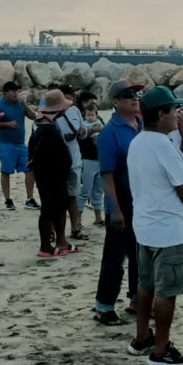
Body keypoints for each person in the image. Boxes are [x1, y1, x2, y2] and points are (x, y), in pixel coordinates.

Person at [127, 86, 183, 365]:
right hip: (167, 230)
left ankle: (142, 337)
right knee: (167, 291)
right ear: (161, 114)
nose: (177, 114)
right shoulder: (163, 146)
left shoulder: (138, 142)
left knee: (145, 285)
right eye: (173, 109)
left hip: (144, 225)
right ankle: (161, 351)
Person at [92, 80, 144, 326]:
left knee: (139, 255)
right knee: (114, 258)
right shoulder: (110, 132)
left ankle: (136, 300)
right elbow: (107, 174)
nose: (134, 98)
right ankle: (104, 307)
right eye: (127, 95)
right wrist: (115, 210)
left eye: (136, 94)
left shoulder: (141, 125)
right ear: (115, 101)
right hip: (120, 200)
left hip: (140, 201)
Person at [29, 89, 79, 258]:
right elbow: (49, 155)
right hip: (51, 176)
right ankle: (45, 246)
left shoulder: (45, 125)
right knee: (49, 209)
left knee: (58, 207)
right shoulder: (47, 129)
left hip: (51, 175)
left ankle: (60, 241)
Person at [0, 81, 39, 210]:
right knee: (6, 171)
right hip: (5, 144)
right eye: (13, 91)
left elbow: (34, 117)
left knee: (30, 169)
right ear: (6, 92)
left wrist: (25, 105)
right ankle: (8, 200)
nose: (16, 93)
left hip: (21, 144)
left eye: (17, 91)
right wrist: (7, 124)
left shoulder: (20, 104)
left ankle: (30, 198)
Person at [52, 84, 89, 241]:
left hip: (75, 161)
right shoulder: (49, 112)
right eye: (70, 94)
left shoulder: (75, 111)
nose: (73, 97)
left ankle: (75, 228)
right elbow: (43, 135)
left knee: (73, 196)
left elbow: (84, 129)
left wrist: (82, 132)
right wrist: (63, 138)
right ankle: (53, 231)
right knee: (56, 198)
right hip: (57, 163)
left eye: (74, 94)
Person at [77, 92, 105, 227]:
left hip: (99, 159)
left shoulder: (99, 120)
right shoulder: (80, 121)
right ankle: (78, 219)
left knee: (98, 191)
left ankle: (98, 217)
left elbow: (104, 133)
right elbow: (80, 136)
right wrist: (92, 131)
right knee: (85, 190)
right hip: (87, 159)